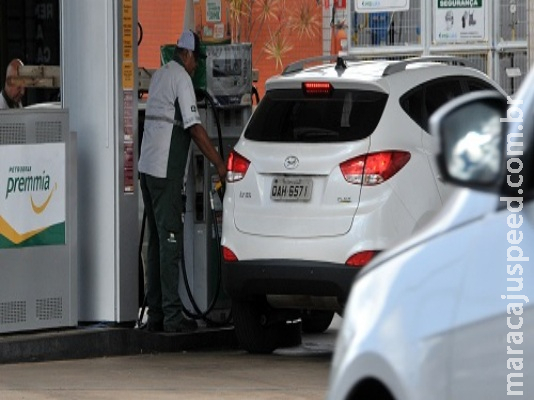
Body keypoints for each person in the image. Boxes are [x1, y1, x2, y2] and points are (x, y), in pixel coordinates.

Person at [138, 30, 227, 333]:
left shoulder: (160, 75)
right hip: (164, 171)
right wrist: (218, 161)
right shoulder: (181, 80)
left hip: (147, 170)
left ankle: (157, 313)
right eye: (195, 61)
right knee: (170, 240)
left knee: (155, 243)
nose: (195, 67)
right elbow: (195, 129)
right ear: (187, 54)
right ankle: (173, 318)